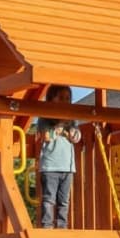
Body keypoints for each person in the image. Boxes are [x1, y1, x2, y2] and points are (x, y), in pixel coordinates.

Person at [36, 85, 81, 229]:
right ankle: (47, 225)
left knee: (64, 200)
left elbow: (76, 137)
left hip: (67, 166)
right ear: (51, 99)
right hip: (50, 165)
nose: (65, 101)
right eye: (61, 98)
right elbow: (46, 136)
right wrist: (58, 128)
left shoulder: (72, 119)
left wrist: (69, 132)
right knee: (49, 198)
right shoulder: (45, 117)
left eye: (67, 98)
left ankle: (62, 226)